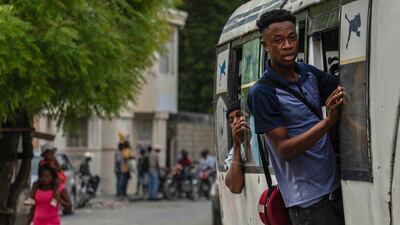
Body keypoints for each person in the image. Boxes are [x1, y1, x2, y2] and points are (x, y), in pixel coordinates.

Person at [247, 9, 345, 225]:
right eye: (278, 40)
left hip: (336, 190)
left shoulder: (309, 73)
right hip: (308, 204)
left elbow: (345, 90)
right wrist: (328, 122)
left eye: (292, 38)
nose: (287, 45)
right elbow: (286, 150)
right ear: (265, 45)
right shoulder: (262, 93)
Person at [224, 100, 250, 194]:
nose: (235, 121)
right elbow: (235, 187)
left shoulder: (265, 138)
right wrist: (237, 145)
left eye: (239, 115)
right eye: (231, 121)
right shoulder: (235, 150)